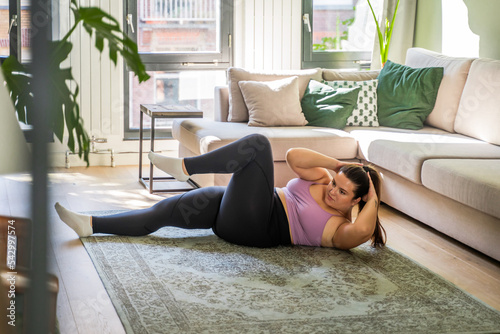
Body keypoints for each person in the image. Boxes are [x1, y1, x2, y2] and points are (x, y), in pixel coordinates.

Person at [55, 133, 385, 250]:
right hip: (240, 210)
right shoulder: (327, 179)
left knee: (258, 146)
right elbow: (296, 157)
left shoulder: (341, 230)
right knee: (165, 211)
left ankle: (185, 167)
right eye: (337, 185)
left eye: (343, 193)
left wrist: (374, 197)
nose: (333, 192)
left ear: (358, 200)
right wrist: (338, 166)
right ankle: (92, 225)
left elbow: (361, 230)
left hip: (257, 227)